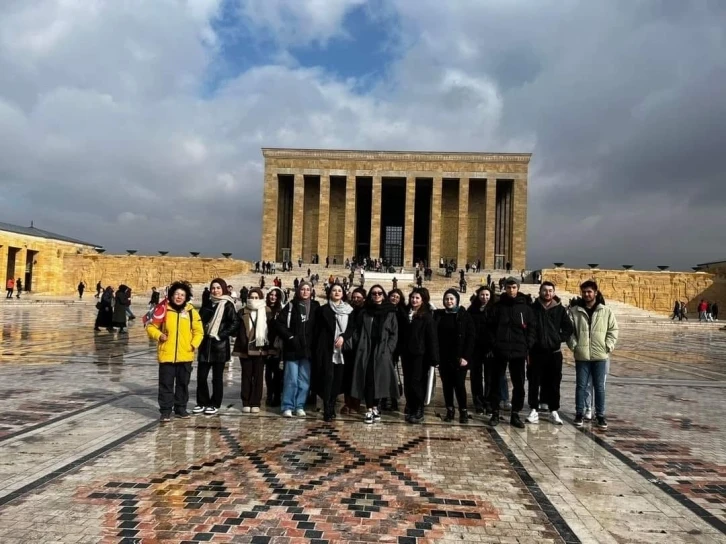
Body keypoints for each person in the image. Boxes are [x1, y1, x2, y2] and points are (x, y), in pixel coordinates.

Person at [146, 281, 204, 422]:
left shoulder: (191, 312)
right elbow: (151, 326)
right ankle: (165, 411)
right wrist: (159, 335)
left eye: (182, 294)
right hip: (167, 354)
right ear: (171, 295)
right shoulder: (163, 310)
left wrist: (193, 344)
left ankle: (180, 408)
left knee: (183, 384)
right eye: (176, 294)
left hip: (185, 354)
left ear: (186, 297)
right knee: (166, 384)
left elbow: (199, 332)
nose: (179, 297)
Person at [568, 280, 619, 430]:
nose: (586, 294)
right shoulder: (575, 311)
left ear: (595, 293)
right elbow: (569, 332)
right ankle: (579, 413)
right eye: (584, 292)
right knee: (581, 386)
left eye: (589, 291)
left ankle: (600, 415)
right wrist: (574, 346)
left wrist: (608, 346)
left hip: (600, 355)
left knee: (599, 387)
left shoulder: (606, 311)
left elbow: (613, 330)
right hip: (582, 355)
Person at [487, 277, 536, 428]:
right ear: (505, 288)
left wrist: (527, 344)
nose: (511, 290)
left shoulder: (526, 308)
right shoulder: (498, 307)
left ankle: (515, 413)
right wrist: (494, 344)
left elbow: (532, 328)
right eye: (508, 287)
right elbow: (490, 327)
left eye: (514, 287)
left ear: (518, 288)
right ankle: (495, 412)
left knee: (519, 384)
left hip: (518, 351)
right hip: (500, 350)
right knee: (495, 382)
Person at [526, 282, 573, 426]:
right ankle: (533, 409)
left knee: (554, 381)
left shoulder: (559, 309)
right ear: (540, 291)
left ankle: (554, 410)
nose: (547, 293)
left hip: (554, 352)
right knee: (534, 381)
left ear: (553, 292)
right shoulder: (533, 308)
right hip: (536, 352)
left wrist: (558, 339)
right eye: (545, 290)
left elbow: (568, 328)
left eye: (550, 291)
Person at [350, 285, 398, 424]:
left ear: (383, 295)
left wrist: (389, 349)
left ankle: (376, 407)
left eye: (379, 293)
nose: (376, 295)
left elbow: (394, 333)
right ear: (370, 296)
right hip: (366, 350)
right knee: (369, 380)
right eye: (374, 293)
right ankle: (369, 409)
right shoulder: (365, 312)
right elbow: (356, 329)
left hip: (382, 351)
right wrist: (358, 342)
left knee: (380, 380)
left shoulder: (390, 312)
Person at [193, 278, 239, 416]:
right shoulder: (207, 303)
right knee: (201, 376)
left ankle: (214, 403)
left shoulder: (227, 305)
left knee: (217, 378)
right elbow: (199, 321)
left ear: (223, 289)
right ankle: (202, 402)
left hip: (219, 346)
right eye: (213, 288)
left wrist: (221, 335)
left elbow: (235, 323)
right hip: (205, 345)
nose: (215, 290)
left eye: (218, 288)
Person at [277, 281, 320, 417]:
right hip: (293, 348)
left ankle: (300, 405)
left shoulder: (315, 306)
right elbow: (279, 324)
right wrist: (290, 337)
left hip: (308, 350)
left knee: (304, 380)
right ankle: (287, 406)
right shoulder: (291, 306)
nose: (305, 292)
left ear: (311, 292)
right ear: (298, 291)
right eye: (303, 289)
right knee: (291, 379)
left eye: (308, 289)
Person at [314, 284, 354, 421]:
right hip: (326, 349)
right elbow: (317, 330)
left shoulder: (349, 310)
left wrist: (343, 337)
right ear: (329, 293)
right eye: (334, 290)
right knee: (328, 378)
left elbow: (351, 328)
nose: (337, 292)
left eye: (339, 290)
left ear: (343, 293)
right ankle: (327, 408)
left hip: (341, 351)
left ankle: (332, 404)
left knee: (337, 380)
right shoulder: (323, 310)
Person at [435, 289, 475, 423]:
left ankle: (463, 411)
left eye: (451, 299)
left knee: (459, 384)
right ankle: (450, 410)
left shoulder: (464, 315)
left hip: (459, 357)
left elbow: (471, 338)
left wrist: (466, 357)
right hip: (444, 357)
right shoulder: (440, 315)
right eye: (446, 299)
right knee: (447, 385)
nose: (449, 301)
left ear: (457, 300)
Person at [401, 288, 438, 424]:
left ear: (423, 300)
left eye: (417, 298)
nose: (414, 300)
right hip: (406, 354)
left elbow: (432, 338)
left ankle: (419, 408)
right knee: (408, 381)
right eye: (412, 297)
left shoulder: (427, 317)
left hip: (420, 355)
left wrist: (434, 358)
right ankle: (410, 405)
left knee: (417, 382)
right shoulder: (406, 313)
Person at [233, 288, 270, 414]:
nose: (253, 300)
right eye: (251, 297)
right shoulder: (242, 311)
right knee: (246, 376)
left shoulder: (266, 311)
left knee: (258, 377)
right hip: (245, 349)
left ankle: (255, 402)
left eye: (256, 297)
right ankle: (246, 401)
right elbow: (237, 329)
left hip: (260, 349)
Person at [468, 286, 495, 415]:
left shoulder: (495, 309)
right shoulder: (472, 310)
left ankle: (488, 402)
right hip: (475, 348)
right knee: (476, 376)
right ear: (478, 296)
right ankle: (478, 402)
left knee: (489, 377)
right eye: (482, 295)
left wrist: (493, 346)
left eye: (487, 295)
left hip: (490, 349)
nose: (484, 297)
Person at [341, 287, 366, 415]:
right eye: (354, 297)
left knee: (357, 376)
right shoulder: (348, 310)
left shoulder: (366, 311)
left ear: (364, 299)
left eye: (358, 298)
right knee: (347, 376)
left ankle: (355, 404)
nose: (355, 300)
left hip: (360, 347)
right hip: (348, 347)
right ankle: (347, 403)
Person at [264, 287, 286, 407]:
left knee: (277, 372)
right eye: (271, 295)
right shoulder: (263, 309)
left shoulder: (281, 310)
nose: (273, 297)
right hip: (265, 343)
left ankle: (277, 395)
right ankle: (269, 394)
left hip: (276, 344)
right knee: (267, 372)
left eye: (275, 295)